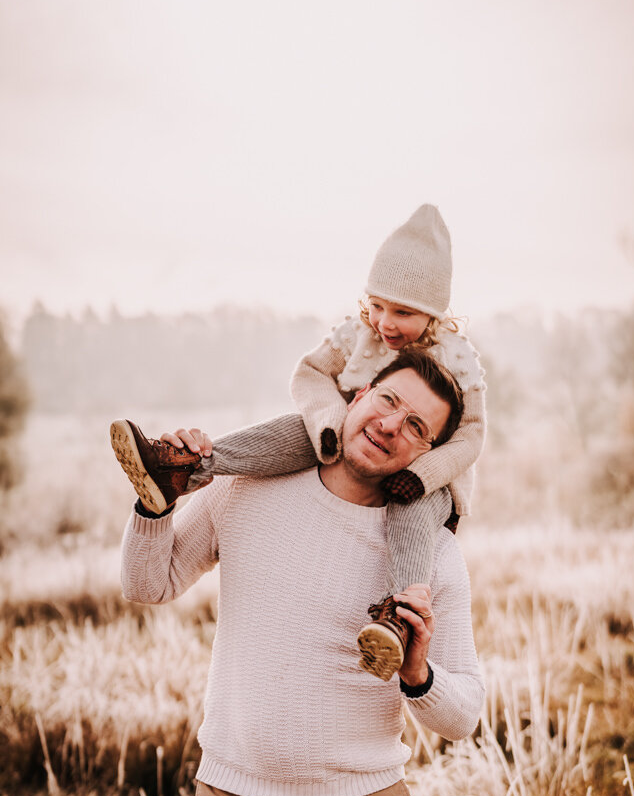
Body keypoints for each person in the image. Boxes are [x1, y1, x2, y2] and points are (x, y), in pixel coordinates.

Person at [120, 349, 485, 796]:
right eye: (389, 401)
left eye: (418, 427)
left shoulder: (432, 558)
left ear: (428, 456)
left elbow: (465, 716)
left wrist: (418, 675)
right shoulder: (246, 488)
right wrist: (156, 504)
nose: (393, 425)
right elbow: (146, 585)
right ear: (359, 394)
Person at [111, 203, 486, 681]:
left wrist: (423, 473)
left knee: (411, 513)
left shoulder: (457, 359)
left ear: (433, 313)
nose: (385, 322)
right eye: (377, 305)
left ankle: (398, 617)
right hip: (343, 436)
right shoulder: (361, 335)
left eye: (403, 312)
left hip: (435, 482)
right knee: (294, 427)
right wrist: (329, 422)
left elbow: (472, 436)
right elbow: (309, 374)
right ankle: (185, 470)